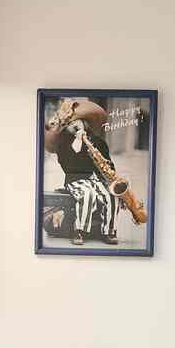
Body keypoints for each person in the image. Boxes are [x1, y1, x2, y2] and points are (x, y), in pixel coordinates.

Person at [44, 99, 119, 246]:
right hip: (75, 180)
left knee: (112, 195)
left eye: (79, 122)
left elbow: (110, 165)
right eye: (72, 124)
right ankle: (79, 231)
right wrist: (77, 143)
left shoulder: (98, 142)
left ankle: (109, 231)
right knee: (87, 194)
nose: (76, 125)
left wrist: (110, 176)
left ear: (87, 123)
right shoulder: (64, 144)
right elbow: (68, 167)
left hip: (97, 180)